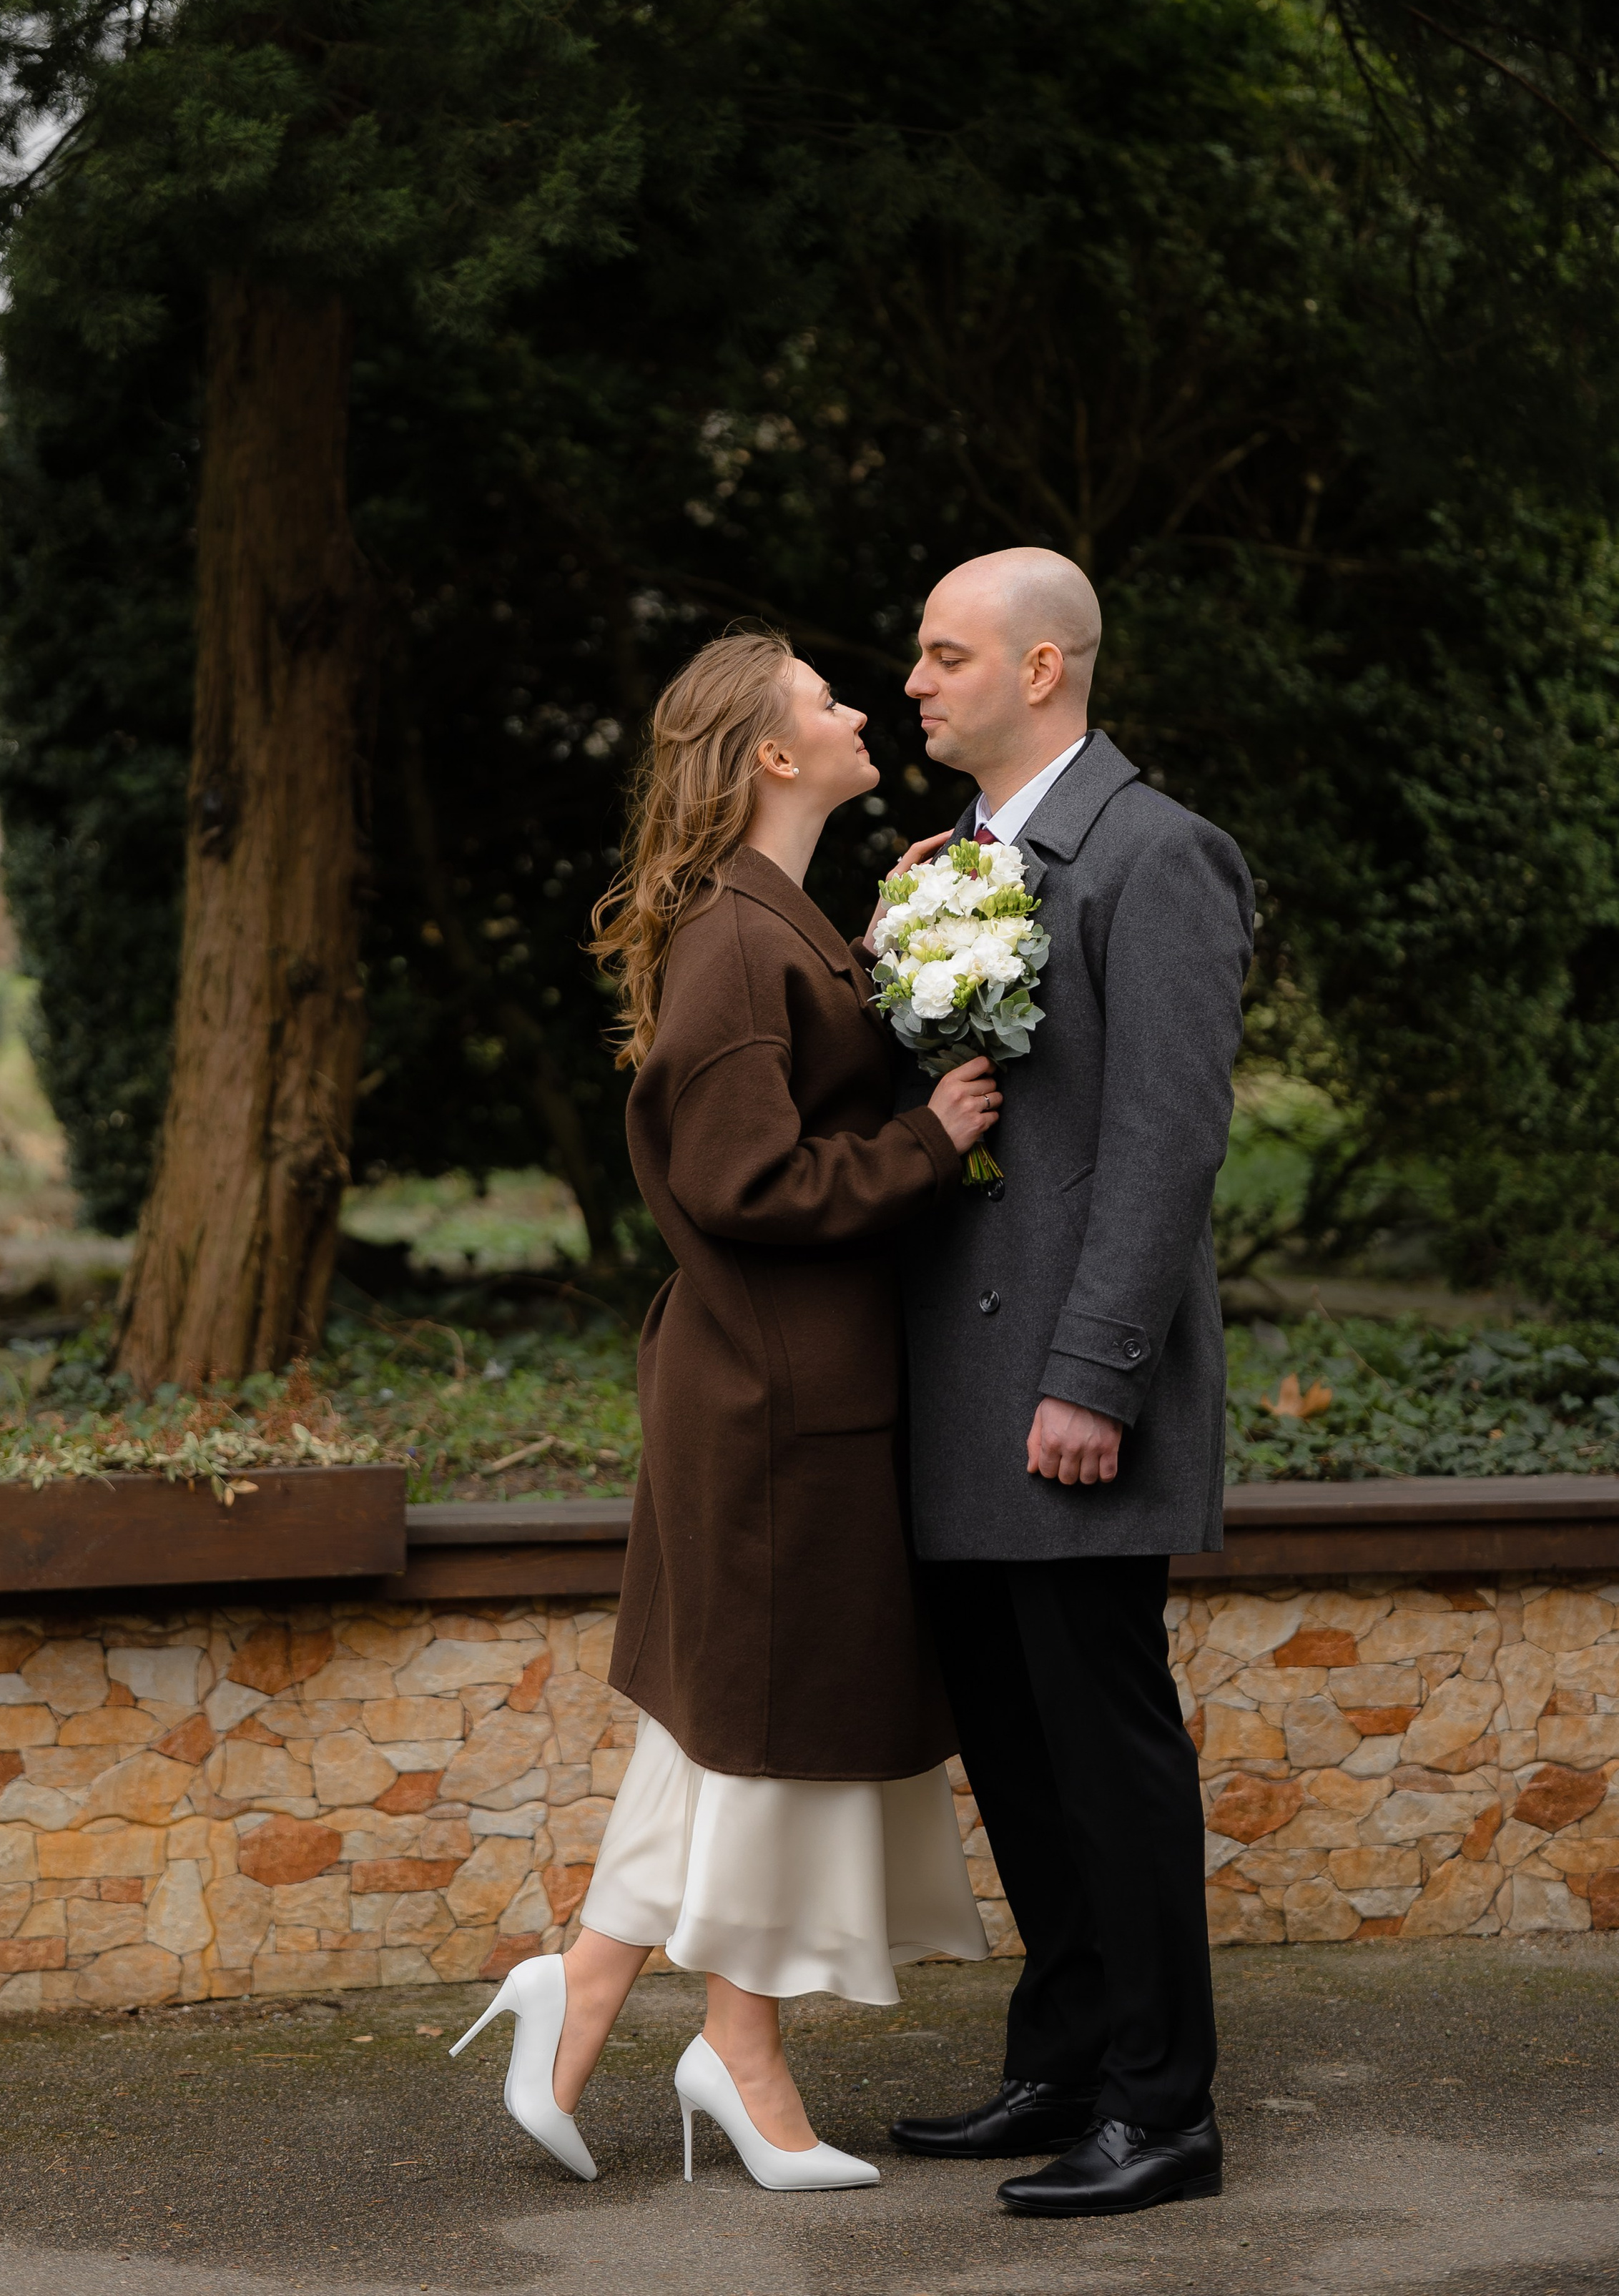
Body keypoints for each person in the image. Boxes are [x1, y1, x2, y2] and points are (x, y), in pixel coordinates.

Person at [450, 625, 995, 2187]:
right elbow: (740, 1175)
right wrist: (927, 1137)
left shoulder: (776, 920)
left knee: (730, 1724)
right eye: (826, 699)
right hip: (769, 1387)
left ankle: (589, 1994)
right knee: (770, 1728)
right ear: (768, 752)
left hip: (783, 1376)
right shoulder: (732, 938)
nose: (857, 707)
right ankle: (739, 2051)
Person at [880, 548, 1253, 2219]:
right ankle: (1066, 2058)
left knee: (1102, 1744)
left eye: (944, 653)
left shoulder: (1154, 853)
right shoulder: (951, 859)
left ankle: (1164, 2106)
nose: (913, 678)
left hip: (1065, 1394)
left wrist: (1093, 1374)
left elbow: (1162, 1143)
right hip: (953, 1390)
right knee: (1016, 1748)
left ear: (1043, 669)